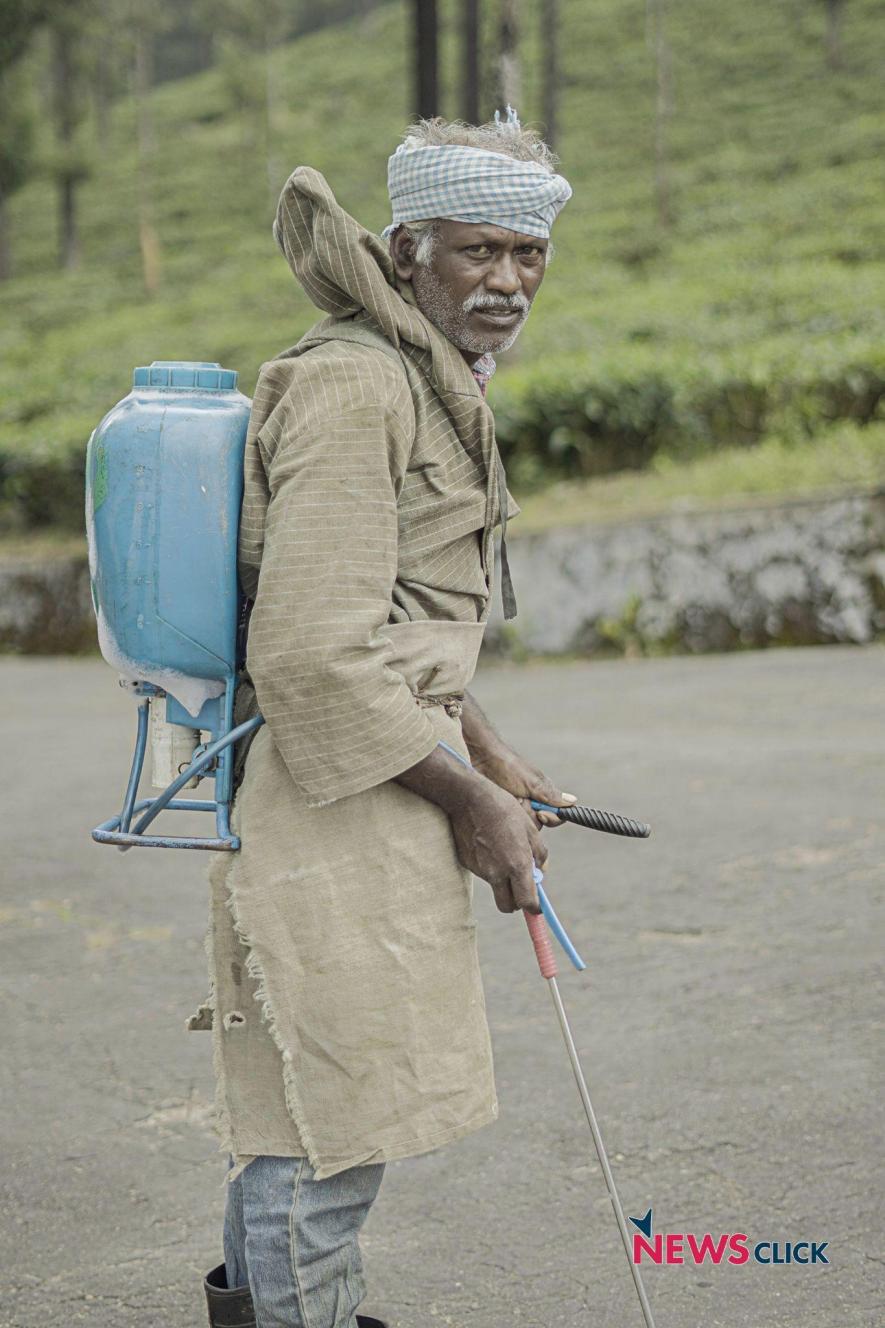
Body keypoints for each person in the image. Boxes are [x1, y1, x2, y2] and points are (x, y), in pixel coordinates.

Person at [192, 109, 574, 1328]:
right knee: (327, 1121)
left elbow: (403, 618)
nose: (507, 281)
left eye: (528, 254)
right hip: (327, 799)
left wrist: (491, 750)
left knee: (304, 1104)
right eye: (476, 251)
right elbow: (309, 650)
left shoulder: (426, 373)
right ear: (407, 248)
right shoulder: (359, 385)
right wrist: (469, 800)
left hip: (375, 780)